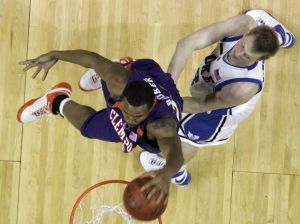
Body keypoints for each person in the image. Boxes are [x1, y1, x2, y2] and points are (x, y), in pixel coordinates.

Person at [17, 51, 190, 204]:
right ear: (121, 101)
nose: (129, 120)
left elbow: (175, 152)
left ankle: (55, 100)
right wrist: (55, 55)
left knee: (88, 128)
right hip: (134, 75)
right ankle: (121, 65)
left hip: (159, 87)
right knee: (110, 72)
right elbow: (92, 59)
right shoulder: (119, 82)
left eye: (137, 116)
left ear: (151, 108)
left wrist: (167, 173)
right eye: (127, 112)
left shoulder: (161, 125)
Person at [137, 9, 295, 173]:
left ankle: (177, 170)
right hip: (210, 83)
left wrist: (165, 103)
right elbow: (188, 43)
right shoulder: (244, 24)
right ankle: (281, 36)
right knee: (254, 17)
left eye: (247, 56)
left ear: (259, 59)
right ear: (247, 33)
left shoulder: (242, 89)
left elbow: (201, 105)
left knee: (188, 136)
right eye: (241, 45)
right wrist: (167, 85)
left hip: (219, 114)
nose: (238, 53)